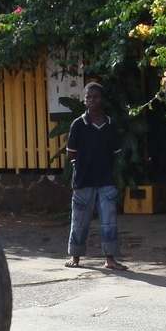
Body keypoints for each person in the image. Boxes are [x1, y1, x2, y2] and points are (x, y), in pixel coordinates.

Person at [65, 81, 128, 271]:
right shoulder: (77, 124)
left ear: (102, 99)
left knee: (109, 222)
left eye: (96, 97)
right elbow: (71, 153)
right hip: (83, 181)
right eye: (88, 97)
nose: (92, 100)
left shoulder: (110, 125)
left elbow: (116, 153)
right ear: (84, 101)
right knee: (79, 221)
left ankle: (110, 260)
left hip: (106, 181)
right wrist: (81, 168)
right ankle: (75, 257)